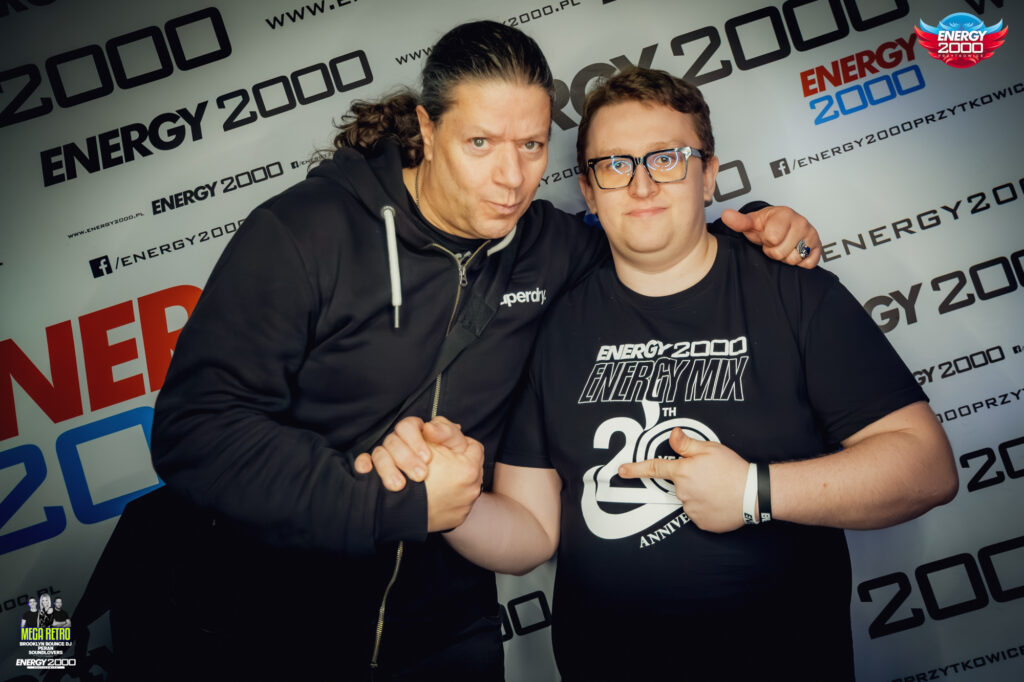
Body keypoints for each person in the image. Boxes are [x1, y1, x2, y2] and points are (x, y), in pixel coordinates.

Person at [133, 21, 821, 681]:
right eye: (481, 143)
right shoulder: (308, 231)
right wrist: (392, 505)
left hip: (445, 634)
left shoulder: (549, 246)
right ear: (429, 130)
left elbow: (655, 247)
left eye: (531, 145)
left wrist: (759, 229)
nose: (511, 178)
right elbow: (198, 431)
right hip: (261, 626)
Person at [371, 68, 958, 681]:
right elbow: (532, 534)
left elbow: (926, 468)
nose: (642, 183)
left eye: (668, 158)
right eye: (615, 165)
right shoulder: (554, 326)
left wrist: (753, 492)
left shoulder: (791, 289)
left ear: (709, 175)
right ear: (589, 191)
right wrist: (451, 500)